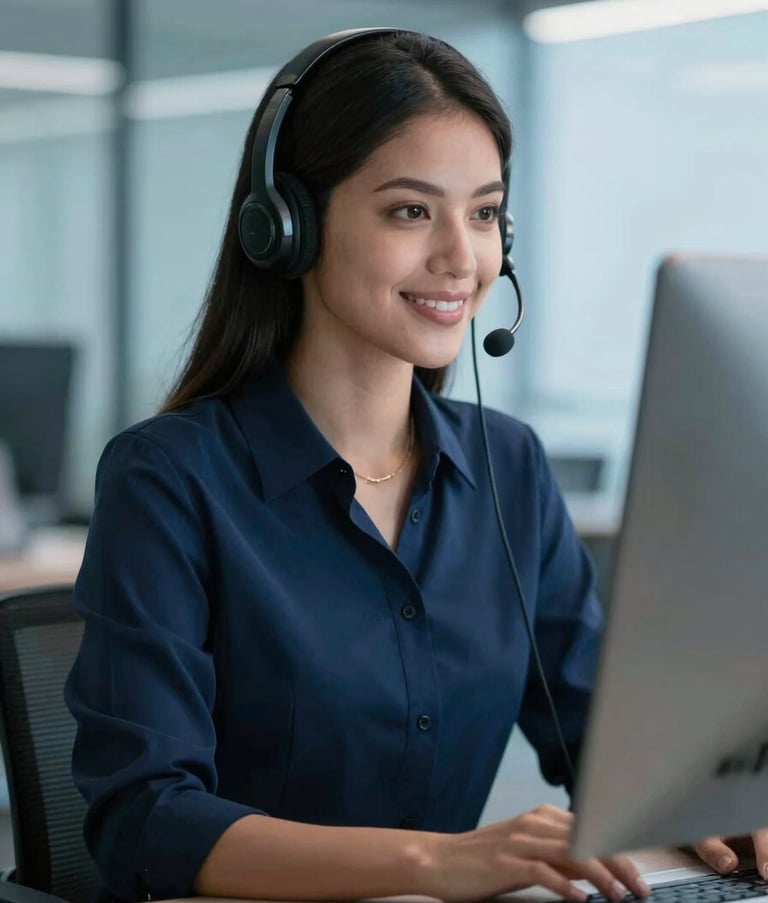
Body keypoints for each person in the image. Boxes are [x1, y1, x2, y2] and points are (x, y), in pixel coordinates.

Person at [64, 27, 762, 903]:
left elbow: (604, 740)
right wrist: (436, 860)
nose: (460, 259)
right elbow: (146, 819)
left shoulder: (508, 465)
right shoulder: (169, 479)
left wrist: (701, 804)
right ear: (290, 225)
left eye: (482, 213)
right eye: (409, 210)